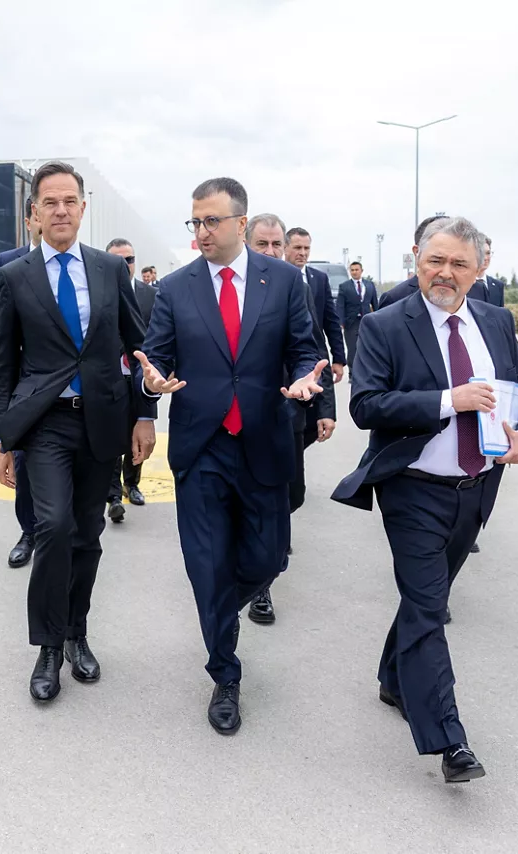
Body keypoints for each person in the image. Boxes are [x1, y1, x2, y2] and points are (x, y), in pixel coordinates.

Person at [332, 216, 518, 783]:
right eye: (435, 261)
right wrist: (449, 399)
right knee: (428, 608)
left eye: (458, 264)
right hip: (413, 489)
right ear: (416, 260)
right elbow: (367, 406)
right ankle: (449, 741)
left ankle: (392, 677)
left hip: (477, 489)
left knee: (426, 596)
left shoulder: (496, 322)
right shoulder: (383, 325)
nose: (444, 274)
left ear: (480, 269)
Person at [135, 177, 324, 735]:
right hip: (202, 446)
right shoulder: (176, 287)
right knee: (206, 566)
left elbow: (303, 349)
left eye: (211, 221)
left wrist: (301, 381)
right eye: (194, 222)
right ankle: (225, 672)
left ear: (241, 224)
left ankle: (221, 609)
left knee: (269, 560)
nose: (201, 231)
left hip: (265, 437)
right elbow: (158, 355)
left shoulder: (285, 281)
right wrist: (150, 385)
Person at [0, 161, 154, 703]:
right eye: (49, 203)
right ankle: (48, 646)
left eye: (70, 201)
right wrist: (3, 439)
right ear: (33, 214)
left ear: (83, 208)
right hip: (46, 423)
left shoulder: (109, 269)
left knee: (87, 535)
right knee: (53, 528)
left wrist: (145, 410)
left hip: (102, 419)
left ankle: (77, 631)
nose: (60, 211)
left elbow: (139, 343)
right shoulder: (15, 275)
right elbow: (6, 365)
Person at [243, 213, 336, 626]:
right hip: (238, 419)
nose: (271, 252)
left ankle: (263, 550)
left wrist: (325, 409)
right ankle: (260, 587)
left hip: (287, 414)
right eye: (262, 245)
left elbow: (315, 351)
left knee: (291, 495)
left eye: (276, 245)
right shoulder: (227, 290)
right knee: (253, 500)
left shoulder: (290, 290)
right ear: (245, 245)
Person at [0, 199, 42, 569]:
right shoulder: (10, 262)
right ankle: (28, 531)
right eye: (40, 211)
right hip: (20, 379)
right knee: (20, 456)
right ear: (30, 219)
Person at [104, 238, 157, 520]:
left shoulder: (150, 295)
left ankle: (132, 483)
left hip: (138, 377)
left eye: (130, 260)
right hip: (108, 377)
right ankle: (113, 495)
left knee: (138, 432)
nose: (125, 266)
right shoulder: (97, 291)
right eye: (118, 260)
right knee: (112, 435)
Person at [284, 227, 346, 382]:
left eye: (306, 248)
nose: (303, 253)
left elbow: (331, 321)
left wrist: (338, 359)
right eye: (298, 248)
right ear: (285, 248)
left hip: (318, 356)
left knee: (325, 404)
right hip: (286, 359)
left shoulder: (320, 279)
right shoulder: (276, 278)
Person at [376, 215, 450, 309]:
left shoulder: (473, 293)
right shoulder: (394, 299)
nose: (446, 273)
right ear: (417, 252)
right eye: (437, 259)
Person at [336, 261, 378, 368]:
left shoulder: (369, 285)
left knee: (367, 346)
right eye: (352, 270)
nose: (354, 272)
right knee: (352, 348)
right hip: (351, 322)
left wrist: (378, 319)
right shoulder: (344, 287)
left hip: (366, 321)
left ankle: (366, 369)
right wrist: (340, 322)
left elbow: (375, 304)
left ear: (361, 271)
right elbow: (340, 306)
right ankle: (352, 372)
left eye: (356, 270)